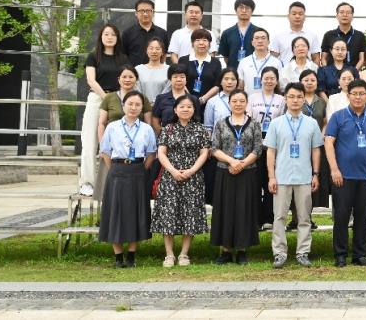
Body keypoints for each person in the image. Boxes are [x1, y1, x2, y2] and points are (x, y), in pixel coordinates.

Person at [324, 79, 366, 267]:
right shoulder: (338, 116)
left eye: (361, 94)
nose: (358, 97)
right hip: (342, 176)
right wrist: (334, 169)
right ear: (348, 96)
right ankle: (340, 254)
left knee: (362, 216)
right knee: (341, 217)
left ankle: (359, 254)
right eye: (354, 94)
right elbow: (328, 142)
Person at [265, 83, 325, 269]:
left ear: (303, 99)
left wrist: (316, 174)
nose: (295, 100)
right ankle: (279, 253)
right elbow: (271, 152)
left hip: (304, 176)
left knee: (304, 218)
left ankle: (303, 252)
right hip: (281, 177)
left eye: (299, 97)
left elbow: (316, 150)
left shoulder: (311, 123)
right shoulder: (276, 123)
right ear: (285, 99)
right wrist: (271, 176)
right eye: (291, 96)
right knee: (279, 217)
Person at [97, 90, 156, 268]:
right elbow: (105, 152)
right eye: (130, 104)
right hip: (117, 171)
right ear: (123, 106)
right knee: (115, 211)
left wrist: (140, 169)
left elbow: (151, 154)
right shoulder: (112, 127)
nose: (133, 107)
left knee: (135, 213)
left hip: (138, 172)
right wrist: (116, 168)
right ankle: (118, 257)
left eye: (138, 105)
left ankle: (131, 255)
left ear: (142, 108)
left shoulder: (146, 129)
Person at [151, 94, 210, 268]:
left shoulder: (200, 129)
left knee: (190, 214)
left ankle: (184, 253)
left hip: (193, 177)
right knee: (168, 214)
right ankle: (169, 254)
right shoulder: (168, 129)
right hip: (170, 177)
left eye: (189, 106)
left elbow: (204, 153)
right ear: (175, 110)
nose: (185, 109)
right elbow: (161, 153)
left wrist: (192, 170)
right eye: (182, 106)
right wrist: (173, 171)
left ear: (194, 110)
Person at [209, 89, 263, 265]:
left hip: (248, 172)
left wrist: (243, 164)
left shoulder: (254, 124)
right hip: (225, 172)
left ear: (246, 103)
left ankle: (242, 250)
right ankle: (225, 250)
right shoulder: (220, 124)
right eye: (234, 101)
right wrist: (232, 161)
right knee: (225, 210)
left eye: (241, 101)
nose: (238, 104)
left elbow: (258, 148)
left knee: (244, 210)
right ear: (229, 103)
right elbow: (214, 148)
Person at [80, 23, 130, 197]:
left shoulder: (123, 58)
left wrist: (117, 99)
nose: (109, 37)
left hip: (118, 99)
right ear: (101, 37)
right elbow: (91, 80)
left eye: (113, 34)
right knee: (89, 142)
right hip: (96, 98)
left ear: (117, 38)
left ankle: (114, 182)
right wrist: (106, 98)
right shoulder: (93, 56)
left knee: (118, 143)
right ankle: (87, 183)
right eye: (106, 34)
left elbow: (127, 79)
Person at [96, 66, 154, 199]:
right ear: (118, 79)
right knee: (113, 191)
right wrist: (104, 147)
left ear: (136, 80)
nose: (127, 80)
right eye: (124, 77)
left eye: (131, 77)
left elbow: (148, 123)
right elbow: (101, 123)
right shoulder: (109, 97)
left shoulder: (142, 98)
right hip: (115, 149)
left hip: (137, 148)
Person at [248, 67, 285, 228]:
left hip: (274, 145)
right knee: (255, 183)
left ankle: (269, 218)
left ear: (276, 81)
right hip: (256, 145)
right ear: (261, 79)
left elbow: (283, 120)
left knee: (272, 181)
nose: (269, 81)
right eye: (266, 78)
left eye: (272, 78)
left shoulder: (281, 99)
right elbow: (248, 119)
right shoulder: (252, 97)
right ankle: (255, 219)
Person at [299, 69, 331, 211]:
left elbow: (326, 121)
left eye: (312, 80)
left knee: (314, 178)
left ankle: (308, 215)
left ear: (317, 83)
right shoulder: (296, 99)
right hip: (299, 145)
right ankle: (296, 216)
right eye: (306, 80)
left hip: (317, 145)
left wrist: (321, 135)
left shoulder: (322, 102)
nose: (309, 83)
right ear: (300, 82)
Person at [151, 64, 201, 131]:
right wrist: (163, 134)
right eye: (175, 77)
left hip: (190, 136)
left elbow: (197, 120)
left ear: (186, 80)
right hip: (166, 136)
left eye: (182, 77)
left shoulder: (194, 99)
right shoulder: (161, 98)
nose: (178, 79)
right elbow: (155, 120)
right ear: (170, 79)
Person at [179, 28, 222, 105]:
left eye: (205, 40)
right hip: (186, 103)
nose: (201, 43)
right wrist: (190, 98)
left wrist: (203, 99)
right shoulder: (183, 60)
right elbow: (179, 81)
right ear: (192, 43)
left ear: (209, 44)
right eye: (197, 40)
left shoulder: (216, 62)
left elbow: (218, 85)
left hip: (209, 103)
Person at [121, 0, 169, 67]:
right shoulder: (127, 33)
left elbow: (164, 54)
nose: (145, 14)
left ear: (153, 13)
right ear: (136, 13)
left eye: (148, 11)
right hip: (134, 72)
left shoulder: (162, 33)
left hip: (156, 71)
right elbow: (123, 54)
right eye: (141, 11)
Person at [271, 1, 321, 65]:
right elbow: (273, 58)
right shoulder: (278, 36)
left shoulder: (312, 35)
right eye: (294, 14)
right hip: (285, 70)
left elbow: (316, 58)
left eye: (300, 14)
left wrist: (314, 70)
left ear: (305, 17)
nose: (297, 16)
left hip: (307, 71)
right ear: (288, 16)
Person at [238, 28, 284, 96]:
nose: (260, 41)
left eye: (263, 38)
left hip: (270, 101)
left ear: (268, 42)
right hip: (249, 100)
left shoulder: (276, 62)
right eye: (256, 38)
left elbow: (281, 85)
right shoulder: (244, 62)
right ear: (252, 43)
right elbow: (240, 86)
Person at [218, 0, 261, 70]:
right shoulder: (227, 33)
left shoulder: (259, 32)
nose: (244, 11)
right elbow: (226, 56)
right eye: (241, 8)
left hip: (254, 71)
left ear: (252, 11)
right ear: (236, 10)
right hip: (233, 72)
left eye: (247, 8)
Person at [321, 2, 366, 69]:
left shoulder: (360, 35)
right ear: (337, 16)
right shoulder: (328, 35)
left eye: (348, 12)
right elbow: (323, 58)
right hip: (332, 73)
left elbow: (362, 59)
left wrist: (354, 72)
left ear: (352, 16)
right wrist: (328, 72)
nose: (345, 15)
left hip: (353, 73)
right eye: (341, 12)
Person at [203, 68, 240, 133]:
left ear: (237, 82)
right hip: (218, 138)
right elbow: (208, 127)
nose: (229, 82)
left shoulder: (243, 100)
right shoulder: (212, 101)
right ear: (220, 82)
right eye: (226, 79)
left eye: (233, 79)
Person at [135, 38, 170, 103]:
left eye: (157, 49)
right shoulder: (138, 69)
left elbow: (168, 89)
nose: (154, 51)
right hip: (142, 105)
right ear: (146, 51)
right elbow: (136, 89)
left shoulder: (168, 69)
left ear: (162, 52)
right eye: (151, 48)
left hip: (162, 105)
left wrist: (157, 103)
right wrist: (146, 104)